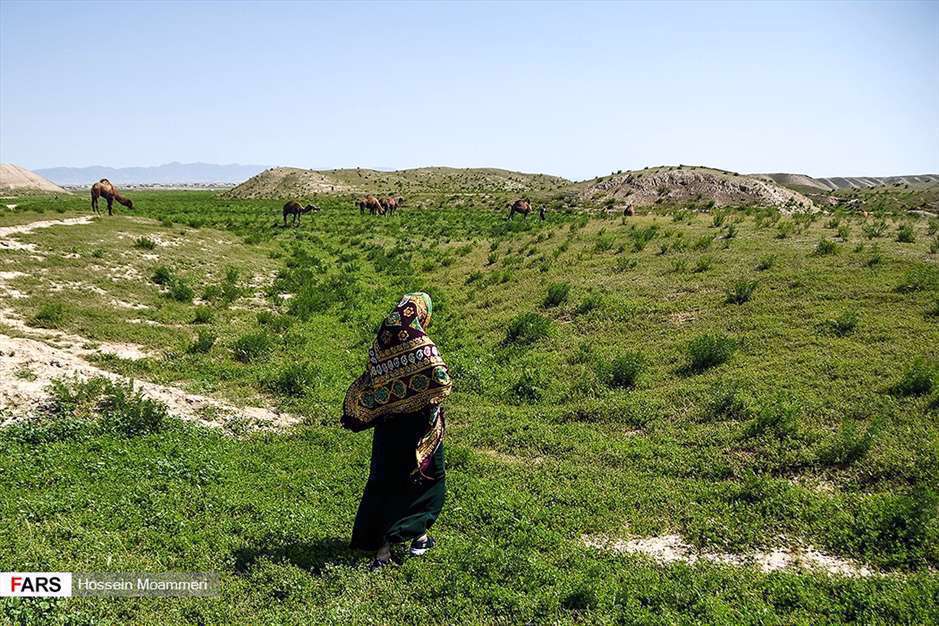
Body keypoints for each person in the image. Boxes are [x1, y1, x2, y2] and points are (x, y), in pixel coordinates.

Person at [341, 292, 452, 569]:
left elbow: (370, 382)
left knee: (385, 481)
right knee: (428, 478)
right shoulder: (421, 345)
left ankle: (397, 544)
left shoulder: (382, 344)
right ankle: (397, 538)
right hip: (418, 429)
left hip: (387, 428)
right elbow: (442, 382)